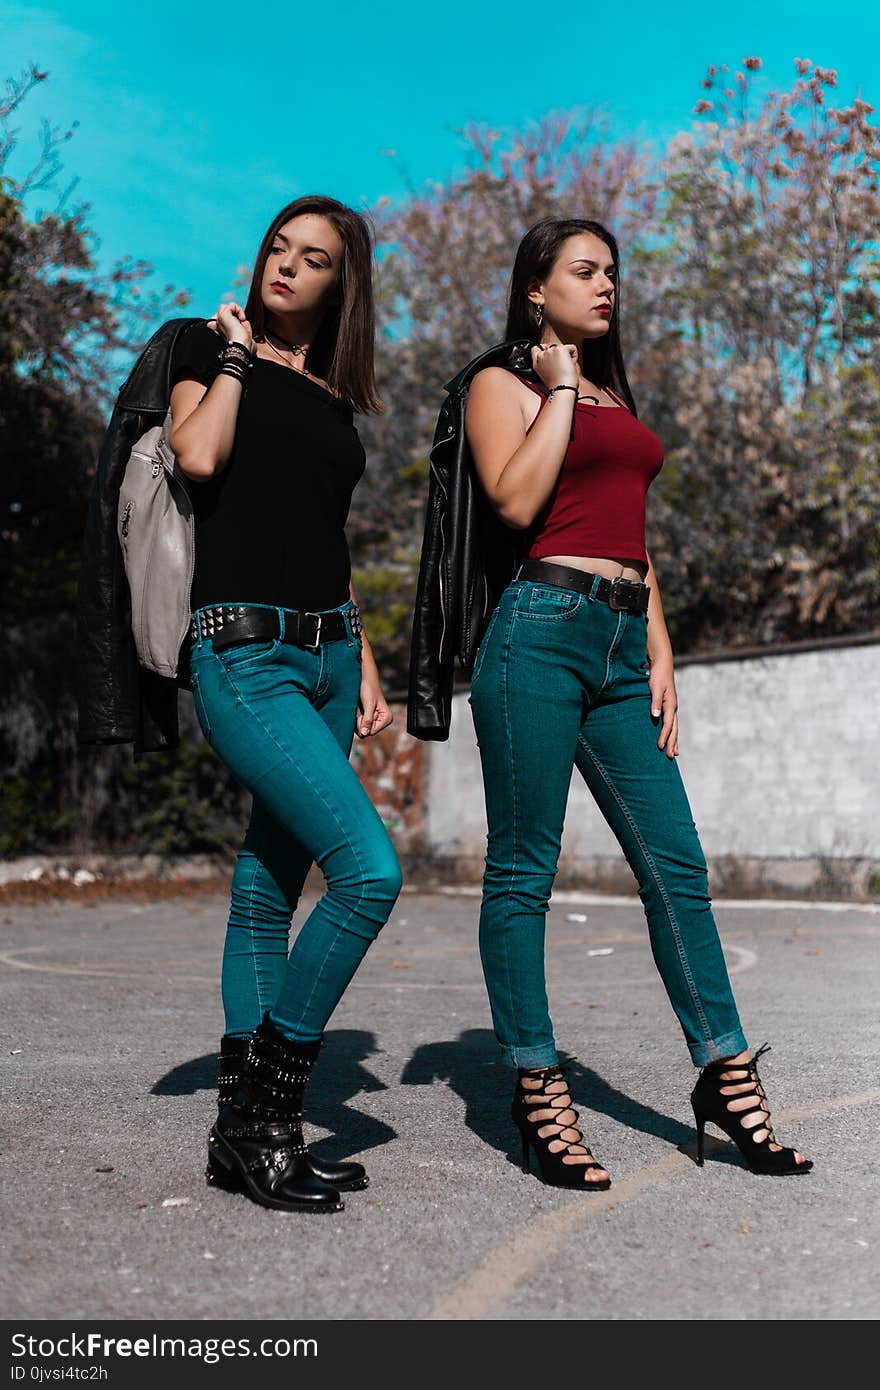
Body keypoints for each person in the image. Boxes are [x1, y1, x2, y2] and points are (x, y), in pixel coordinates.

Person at [460, 217, 811, 1187]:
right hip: (537, 630)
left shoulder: (615, 392)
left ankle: (725, 1073)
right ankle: (536, 1086)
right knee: (523, 870)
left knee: (676, 865)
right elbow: (515, 500)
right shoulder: (505, 385)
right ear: (536, 288)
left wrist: (659, 645)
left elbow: (633, 535)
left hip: (620, 642)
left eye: (611, 271)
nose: (605, 284)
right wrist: (560, 384)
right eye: (583, 270)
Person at [168, 195, 402, 1213]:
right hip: (243, 652)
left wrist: (370, 662)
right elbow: (200, 458)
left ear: (340, 285)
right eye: (278, 247)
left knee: (269, 887)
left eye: (313, 259)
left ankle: (243, 1133)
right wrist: (230, 356)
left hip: (329, 655)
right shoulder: (200, 342)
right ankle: (263, 1115)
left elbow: (324, 536)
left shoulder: (334, 398)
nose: (288, 267)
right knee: (368, 872)